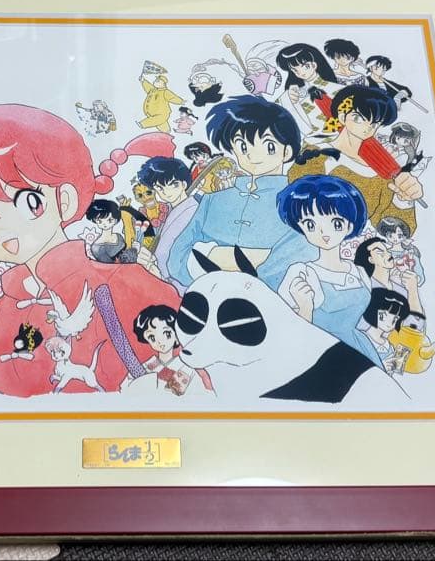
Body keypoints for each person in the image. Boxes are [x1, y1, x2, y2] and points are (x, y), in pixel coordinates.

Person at [0, 104, 181, 397]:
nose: (3, 231)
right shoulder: (10, 301)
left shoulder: (121, 283)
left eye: (28, 203)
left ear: (64, 200)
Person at [167, 95, 329, 290]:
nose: (253, 155)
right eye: (243, 146)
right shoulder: (212, 200)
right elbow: (176, 261)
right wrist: (247, 258)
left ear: (287, 152)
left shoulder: (300, 204)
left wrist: (209, 254)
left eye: (268, 145)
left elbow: (299, 261)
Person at [288, 84, 423, 232]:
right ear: (342, 117)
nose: (368, 126)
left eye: (375, 123)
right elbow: (294, 198)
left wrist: (403, 200)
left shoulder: (380, 171)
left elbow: (389, 222)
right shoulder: (316, 155)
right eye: (359, 118)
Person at [275, 175, 379, 366]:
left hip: (359, 350)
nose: (324, 233)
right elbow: (286, 331)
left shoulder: (359, 272)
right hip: (319, 354)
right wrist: (305, 308)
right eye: (311, 225)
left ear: (349, 225)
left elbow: (360, 318)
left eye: (336, 223)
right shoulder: (301, 273)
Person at [134, 156, 198, 292]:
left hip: (182, 285)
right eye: (159, 187)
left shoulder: (194, 210)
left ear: (184, 184)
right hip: (163, 279)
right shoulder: (169, 211)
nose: (166, 192)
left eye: (173, 184)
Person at [124, 305, 213, 396]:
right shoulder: (144, 367)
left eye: (167, 333)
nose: (160, 341)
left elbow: (200, 394)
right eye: (152, 337)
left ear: (176, 335)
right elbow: (126, 391)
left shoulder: (187, 367)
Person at [274, 42, 342, 137]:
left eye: (306, 66)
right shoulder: (294, 93)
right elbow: (276, 111)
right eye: (295, 70)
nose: (301, 72)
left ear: (314, 65)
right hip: (310, 139)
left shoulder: (336, 88)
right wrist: (288, 98)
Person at [353, 236, 423, 314]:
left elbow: (418, 320)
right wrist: (412, 290)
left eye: (387, 250)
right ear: (371, 260)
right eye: (380, 252)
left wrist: (412, 289)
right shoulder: (368, 291)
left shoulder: (401, 289)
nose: (389, 254)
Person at [359, 288, 412, 374]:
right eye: (384, 315)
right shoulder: (360, 339)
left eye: (396, 318)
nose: (392, 322)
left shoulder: (389, 346)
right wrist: (381, 366)